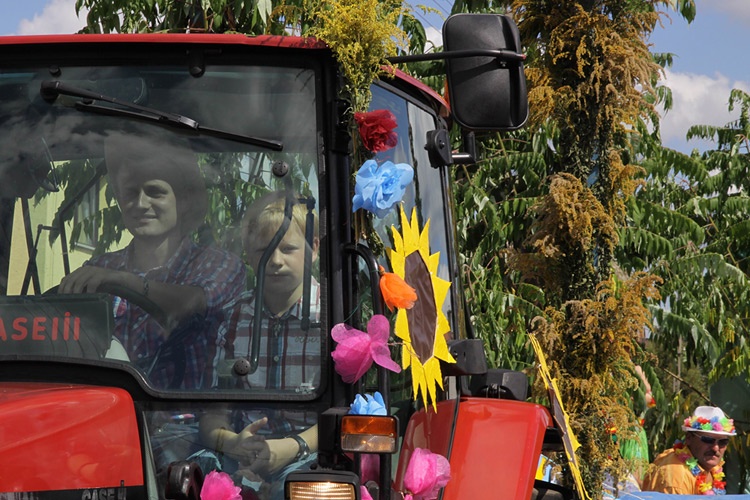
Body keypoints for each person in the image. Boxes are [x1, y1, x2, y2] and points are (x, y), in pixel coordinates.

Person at [58, 132, 246, 389]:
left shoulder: (220, 264)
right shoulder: (98, 267)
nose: (140, 203)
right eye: (130, 192)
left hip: (183, 413)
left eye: (155, 192)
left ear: (185, 201)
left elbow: (192, 304)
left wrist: (125, 282)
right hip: (107, 406)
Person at [198, 191, 321, 495]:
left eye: (288, 249)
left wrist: (292, 446)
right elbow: (213, 412)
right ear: (248, 255)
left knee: (295, 489)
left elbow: (344, 414)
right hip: (241, 450)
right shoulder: (232, 319)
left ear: (314, 249)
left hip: (309, 453)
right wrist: (232, 442)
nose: (275, 261)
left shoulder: (332, 321)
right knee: (190, 474)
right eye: (263, 251)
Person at [642, 405, 736, 495]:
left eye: (723, 442)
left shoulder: (710, 467)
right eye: (708, 440)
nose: (716, 448)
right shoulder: (677, 479)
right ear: (689, 438)